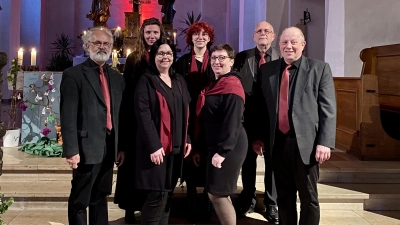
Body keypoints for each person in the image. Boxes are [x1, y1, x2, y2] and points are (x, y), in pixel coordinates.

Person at [259, 27, 336, 225]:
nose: (289, 46)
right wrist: (259, 138)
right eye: (284, 42)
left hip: (307, 145)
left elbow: (328, 109)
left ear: (303, 45)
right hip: (278, 143)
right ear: (279, 45)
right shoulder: (267, 70)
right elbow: (261, 108)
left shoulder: (319, 69)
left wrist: (325, 142)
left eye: (294, 42)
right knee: (284, 196)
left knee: (309, 197)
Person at [60, 26, 125, 225]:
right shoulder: (74, 75)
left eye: (106, 43)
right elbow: (68, 115)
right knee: (80, 200)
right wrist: (71, 150)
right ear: (87, 46)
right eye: (97, 42)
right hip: (86, 147)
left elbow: (118, 114)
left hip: (108, 147)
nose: (102, 47)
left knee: (100, 197)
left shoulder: (117, 78)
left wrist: (120, 147)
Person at [134, 38, 192, 225]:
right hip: (156, 149)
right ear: (153, 57)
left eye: (168, 53)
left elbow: (186, 112)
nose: (165, 57)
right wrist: (154, 145)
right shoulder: (146, 80)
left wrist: (187, 138)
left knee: (167, 196)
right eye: (160, 53)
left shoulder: (178, 80)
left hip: (175, 148)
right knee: (156, 196)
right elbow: (143, 115)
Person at [114, 17, 165, 224]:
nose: (152, 36)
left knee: (149, 167)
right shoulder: (135, 58)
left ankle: (147, 207)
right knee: (132, 166)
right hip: (134, 121)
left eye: (155, 33)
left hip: (157, 121)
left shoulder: (164, 57)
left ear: (160, 34)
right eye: (148, 33)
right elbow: (126, 95)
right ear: (142, 35)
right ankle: (129, 208)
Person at [233, 21, 280, 223]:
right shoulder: (243, 57)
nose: (263, 34)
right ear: (253, 36)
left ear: (273, 36)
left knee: (272, 163)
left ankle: (271, 203)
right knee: (248, 161)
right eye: (259, 31)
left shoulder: (281, 57)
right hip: (249, 118)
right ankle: (248, 198)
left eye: (267, 31)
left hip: (273, 120)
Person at [197, 43, 247, 225]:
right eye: (214, 58)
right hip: (218, 144)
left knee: (217, 193)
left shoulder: (232, 85)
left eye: (222, 58)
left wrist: (223, 151)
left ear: (231, 62)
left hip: (229, 146)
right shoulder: (217, 83)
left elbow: (232, 122)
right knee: (216, 192)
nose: (217, 62)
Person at [174, 21, 215, 222]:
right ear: (190, 38)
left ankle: (207, 198)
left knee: (208, 155)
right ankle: (190, 195)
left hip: (211, 115)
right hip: (189, 114)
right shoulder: (182, 62)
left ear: (209, 38)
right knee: (190, 157)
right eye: (196, 34)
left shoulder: (216, 59)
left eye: (204, 34)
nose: (200, 37)